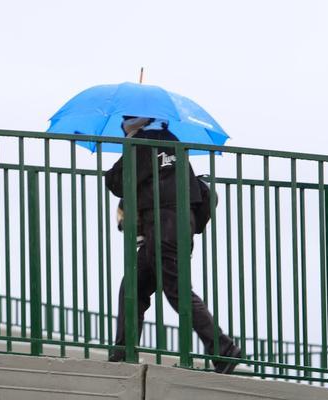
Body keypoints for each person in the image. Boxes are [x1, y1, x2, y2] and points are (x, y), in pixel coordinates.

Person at [104, 115, 243, 372]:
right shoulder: (173, 143)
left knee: (177, 292)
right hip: (176, 227)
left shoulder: (143, 144)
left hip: (163, 227)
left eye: (125, 121)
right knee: (133, 285)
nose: (122, 125)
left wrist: (130, 144)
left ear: (137, 122)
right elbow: (199, 193)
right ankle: (123, 351)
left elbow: (117, 182)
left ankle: (224, 350)